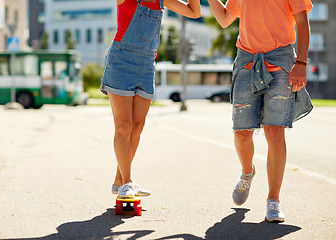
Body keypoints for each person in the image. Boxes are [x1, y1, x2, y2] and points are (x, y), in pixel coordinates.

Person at [207, 0, 313, 222]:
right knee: (242, 133)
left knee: (275, 131)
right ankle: (247, 172)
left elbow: (302, 22)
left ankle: (273, 200)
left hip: (281, 60)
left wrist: (301, 62)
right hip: (247, 60)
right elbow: (226, 18)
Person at [101, 0, 201, 198]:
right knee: (123, 125)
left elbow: (194, 11)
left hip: (146, 65)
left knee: (137, 127)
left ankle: (120, 180)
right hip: (121, 61)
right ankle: (127, 182)